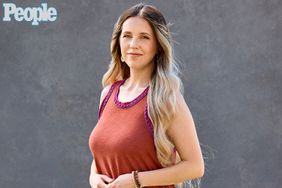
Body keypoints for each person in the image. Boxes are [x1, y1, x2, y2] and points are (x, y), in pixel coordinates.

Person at [88, 3, 204, 188]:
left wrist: (136, 180)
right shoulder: (108, 94)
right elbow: (106, 151)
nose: (134, 44)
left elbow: (195, 167)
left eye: (144, 37)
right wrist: (94, 177)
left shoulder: (166, 99)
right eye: (127, 36)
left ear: (158, 46)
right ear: (118, 42)